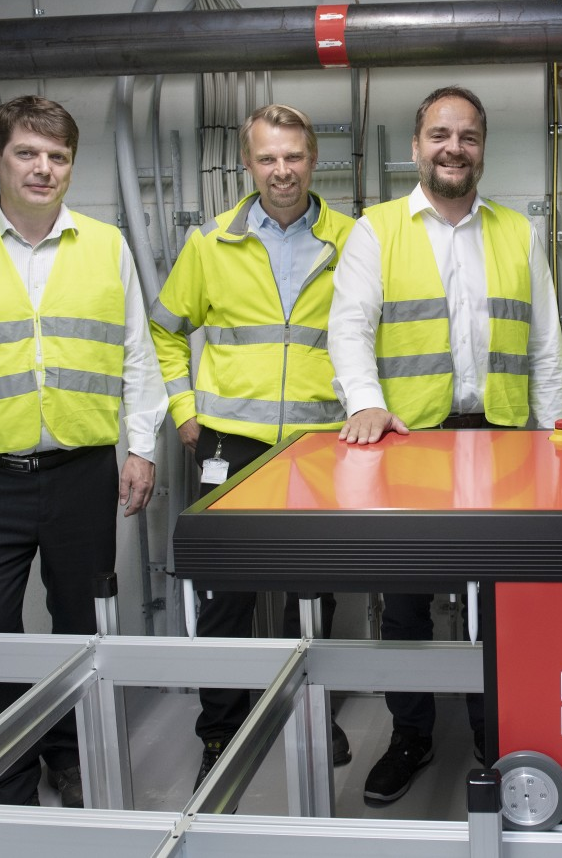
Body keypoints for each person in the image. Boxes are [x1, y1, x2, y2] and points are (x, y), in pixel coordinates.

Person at [0, 95, 166, 807]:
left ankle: (70, 755)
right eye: (27, 153)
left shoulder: (107, 246)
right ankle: (5, 782)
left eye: (57, 156)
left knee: (80, 626)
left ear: (71, 165)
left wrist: (141, 446)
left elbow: (137, 358)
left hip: (81, 472)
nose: (43, 168)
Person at [328, 85, 562, 805]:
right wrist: (367, 402)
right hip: (409, 442)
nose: (452, 148)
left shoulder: (517, 231)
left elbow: (547, 343)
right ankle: (412, 735)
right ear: (415, 147)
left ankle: (497, 735)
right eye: (439, 134)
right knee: (404, 603)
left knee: (499, 601)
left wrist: (557, 435)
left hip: (502, 440)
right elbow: (348, 327)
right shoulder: (375, 230)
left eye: (467, 136)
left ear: (483, 148)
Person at [148, 104, 356, 788]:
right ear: (248, 164)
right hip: (229, 445)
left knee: (314, 589)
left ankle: (313, 709)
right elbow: (166, 331)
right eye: (268, 158)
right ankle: (221, 729)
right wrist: (184, 411)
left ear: (313, 157)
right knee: (225, 596)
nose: (282, 170)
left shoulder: (353, 240)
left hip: (321, 444)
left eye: (293, 155)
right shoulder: (211, 244)